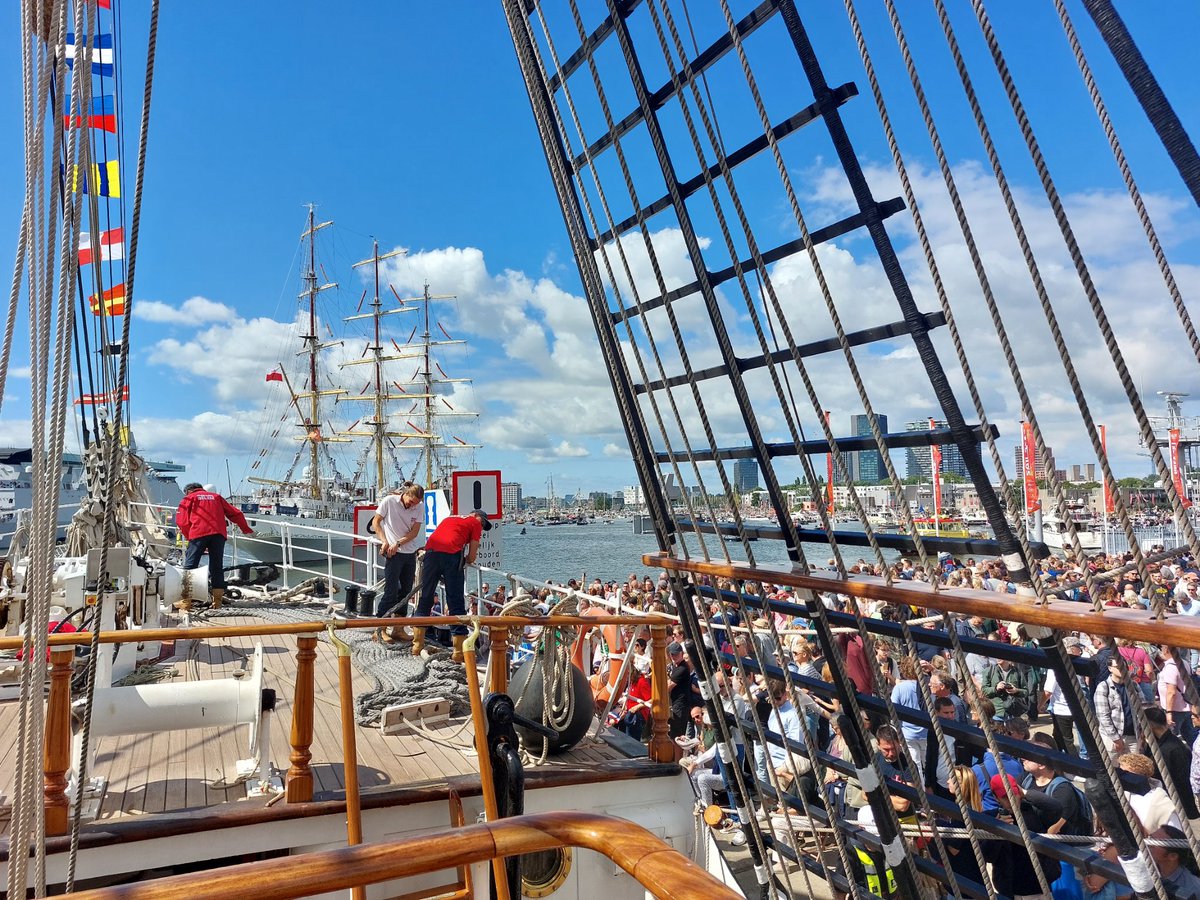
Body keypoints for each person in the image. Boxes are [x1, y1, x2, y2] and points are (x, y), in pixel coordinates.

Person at [411, 509, 491, 662]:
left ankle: (417, 645)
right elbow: (472, 554)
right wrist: (467, 559)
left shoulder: (449, 518)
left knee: (426, 597)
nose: (481, 525)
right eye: (482, 522)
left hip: (431, 554)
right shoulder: (474, 522)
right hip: (451, 557)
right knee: (456, 601)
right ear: (476, 515)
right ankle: (459, 651)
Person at [174, 482, 253, 611]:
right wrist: (245, 529)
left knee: (190, 566)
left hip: (198, 533)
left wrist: (190, 536)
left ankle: (186, 602)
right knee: (216, 567)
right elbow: (235, 513)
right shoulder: (217, 497)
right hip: (218, 535)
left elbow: (182, 522)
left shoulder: (188, 498)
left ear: (188, 491)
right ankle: (217, 602)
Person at [371, 482, 425, 623]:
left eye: (416, 503)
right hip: (393, 554)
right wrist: (384, 541)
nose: (413, 506)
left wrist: (398, 543)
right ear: (406, 494)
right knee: (391, 590)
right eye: (411, 502)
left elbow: (414, 532)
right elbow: (376, 522)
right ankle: (381, 624)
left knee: (406, 592)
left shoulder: (419, 507)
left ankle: (398, 628)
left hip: (409, 553)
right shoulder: (389, 501)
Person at [1150, 824, 1200, 899]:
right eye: (1150, 838)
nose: (1148, 845)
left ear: (1172, 856)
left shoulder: (1192, 889)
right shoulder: (1146, 867)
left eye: (1154, 844)